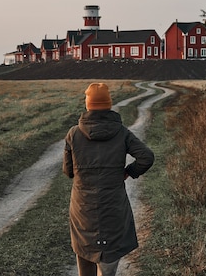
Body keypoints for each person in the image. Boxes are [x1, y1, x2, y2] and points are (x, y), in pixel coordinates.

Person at [63, 83, 155, 276]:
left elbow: (68, 172)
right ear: (109, 105)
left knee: (84, 253)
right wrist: (128, 171)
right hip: (114, 207)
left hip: (83, 209)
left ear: (88, 105)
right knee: (108, 266)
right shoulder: (122, 133)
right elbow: (146, 157)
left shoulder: (73, 134)